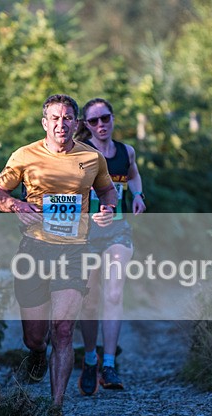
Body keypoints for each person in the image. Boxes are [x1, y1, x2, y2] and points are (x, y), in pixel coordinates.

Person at [0, 94, 118, 416]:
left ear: (77, 123)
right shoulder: (24, 155)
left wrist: (108, 209)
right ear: (45, 123)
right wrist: (17, 206)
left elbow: (107, 190)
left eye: (68, 118)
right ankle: (35, 353)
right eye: (55, 119)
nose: (62, 124)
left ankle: (56, 408)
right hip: (34, 248)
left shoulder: (92, 158)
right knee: (35, 337)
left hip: (74, 250)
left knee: (62, 329)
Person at [75, 98, 147, 395]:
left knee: (115, 292)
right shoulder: (79, 153)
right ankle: (90, 358)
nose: (101, 125)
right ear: (85, 125)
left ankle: (109, 364)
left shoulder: (125, 152)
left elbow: (133, 175)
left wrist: (139, 195)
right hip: (87, 234)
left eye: (105, 118)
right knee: (90, 300)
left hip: (118, 230)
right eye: (93, 121)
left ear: (113, 118)